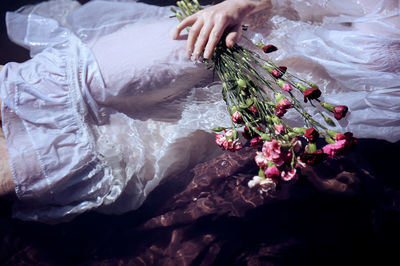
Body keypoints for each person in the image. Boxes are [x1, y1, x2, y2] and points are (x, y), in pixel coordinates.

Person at [0, 0, 399, 223]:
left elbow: (339, 126)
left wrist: (305, 165)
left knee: (45, 167)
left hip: (226, 118)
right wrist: (237, 5)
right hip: (229, 44)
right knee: (72, 87)